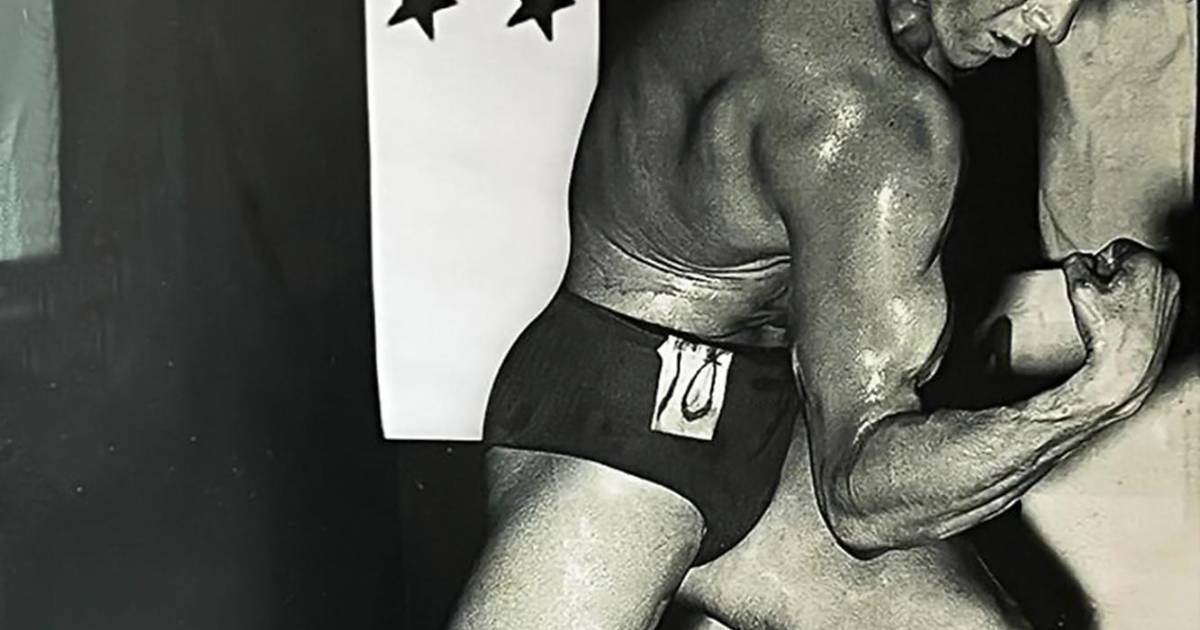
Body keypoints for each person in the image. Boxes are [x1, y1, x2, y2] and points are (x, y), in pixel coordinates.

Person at [448, 0, 1183, 627]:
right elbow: (860, 499)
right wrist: (1100, 391)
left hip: (770, 428)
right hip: (618, 439)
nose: (1053, 23)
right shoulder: (871, 110)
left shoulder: (889, 41)